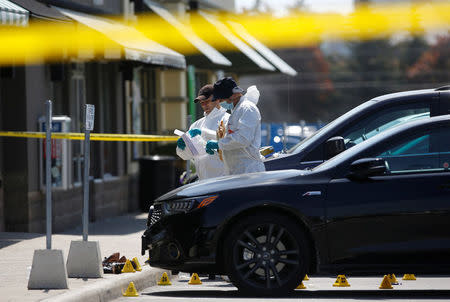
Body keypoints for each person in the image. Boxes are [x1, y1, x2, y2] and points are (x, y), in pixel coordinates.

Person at [205, 77, 265, 175]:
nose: (219, 103)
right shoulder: (236, 111)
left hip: (249, 171)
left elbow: (243, 138)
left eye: (221, 99)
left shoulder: (247, 109)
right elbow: (231, 138)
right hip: (238, 170)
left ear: (233, 95)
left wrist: (218, 144)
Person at [176, 84, 230, 180]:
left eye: (207, 101)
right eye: (202, 103)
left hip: (224, 180)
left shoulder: (228, 120)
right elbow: (187, 156)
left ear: (218, 99)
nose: (204, 105)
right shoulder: (196, 125)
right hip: (203, 181)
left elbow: (235, 146)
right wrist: (181, 148)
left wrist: (217, 146)